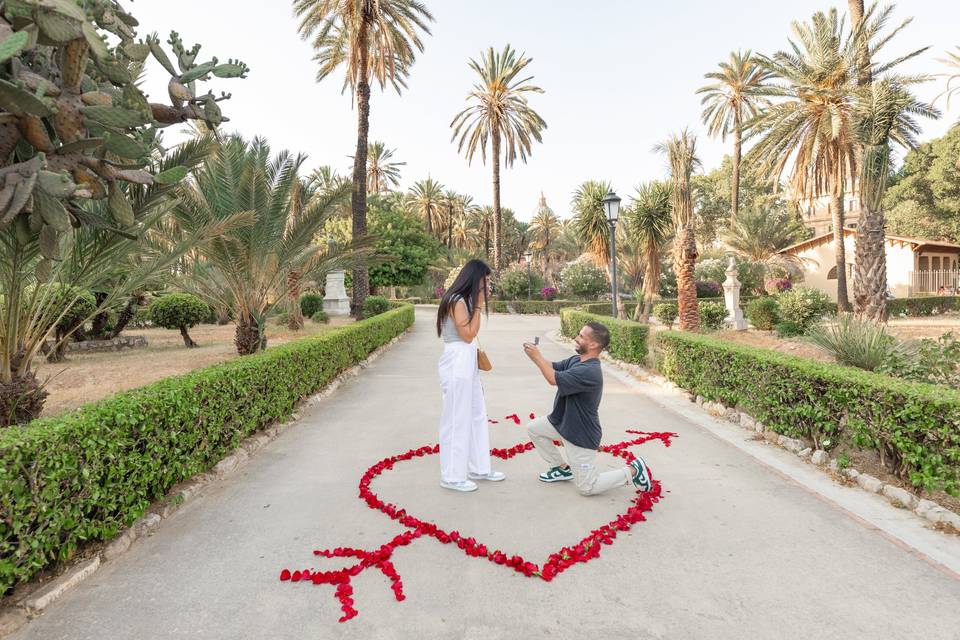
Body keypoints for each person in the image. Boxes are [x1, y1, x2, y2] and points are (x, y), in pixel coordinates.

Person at [522, 322, 652, 496]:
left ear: (593, 345)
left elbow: (553, 379)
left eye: (581, 336)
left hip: (579, 435)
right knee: (534, 428)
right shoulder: (577, 360)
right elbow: (552, 367)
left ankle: (633, 471)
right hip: (561, 423)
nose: (576, 338)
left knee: (587, 487)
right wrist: (535, 356)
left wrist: (537, 357)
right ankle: (561, 468)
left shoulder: (589, 371)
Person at [436, 259, 504, 492]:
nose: (486, 286)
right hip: (457, 360)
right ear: (474, 279)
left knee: (476, 412)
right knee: (457, 417)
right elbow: (467, 335)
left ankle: (479, 467)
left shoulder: (463, 300)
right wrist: (478, 307)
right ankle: (452, 476)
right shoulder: (458, 301)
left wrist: (476, 304)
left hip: (467, 359)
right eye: (484, 281)